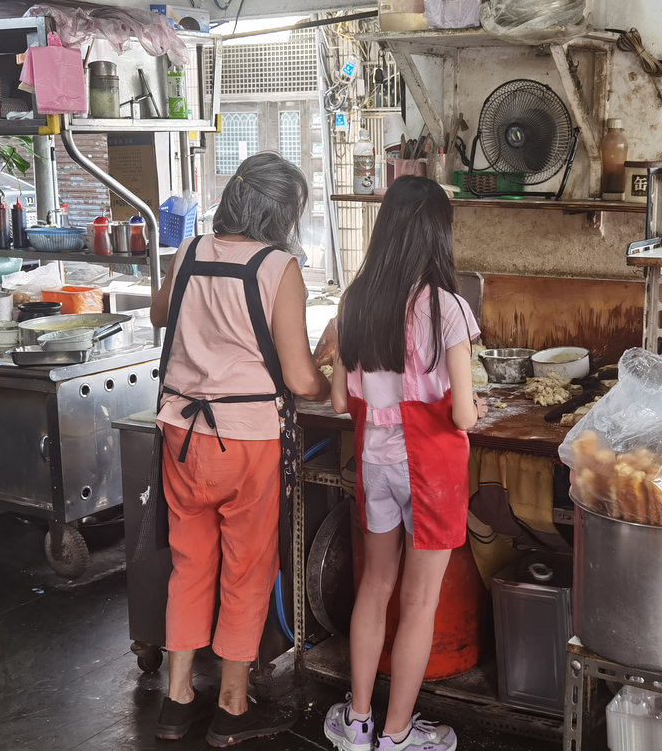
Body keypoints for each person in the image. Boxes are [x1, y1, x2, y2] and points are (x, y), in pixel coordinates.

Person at [149, 152, 330, 747]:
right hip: (245, 441)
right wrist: (331, 379)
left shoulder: (191, 250)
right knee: (247, 570)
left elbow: (160, 314)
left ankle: (175, 703)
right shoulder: (279, 267)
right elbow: (301, 381)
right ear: (281, 214)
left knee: (189, 563)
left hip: (180, 432)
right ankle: (231, 704)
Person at [323, 176, 487, 751]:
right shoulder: (447, 307)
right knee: (418, 602)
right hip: (432, 469)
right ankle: (396, 736)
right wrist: (474, 403)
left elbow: (341, 400)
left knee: (374, 586)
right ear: (436, 236)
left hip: (374, 459)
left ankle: (358, 721)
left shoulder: (355, 300)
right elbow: (464, 416)